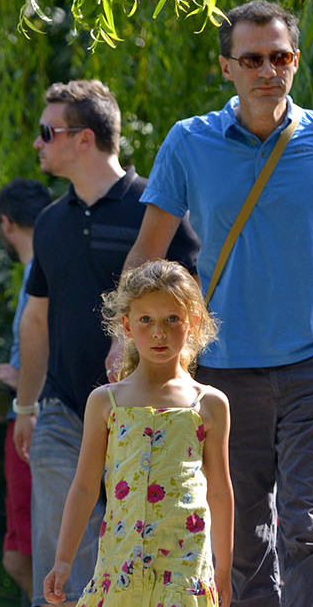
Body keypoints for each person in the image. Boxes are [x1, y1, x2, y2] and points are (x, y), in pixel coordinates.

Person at [122, 0, 313, 606]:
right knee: (240, 540)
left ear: (295, 61)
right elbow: (147, 256)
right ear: (227, 68)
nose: (268, 70)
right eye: (252, 59)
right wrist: (125, 339)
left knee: (309, 531)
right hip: (220, 371)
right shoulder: (190, 142)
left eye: (280, 57)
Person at [16, 79, 201, 606]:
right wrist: (27, 405)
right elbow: (35, 320)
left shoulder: (156, 210)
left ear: (85, 138)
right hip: (63, 410)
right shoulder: (50, 223)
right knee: (59, 562)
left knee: (136, 557)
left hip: (148, 413)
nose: (38, 143)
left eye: (47, 132)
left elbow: (194, 310)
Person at [42, 260, 233, 606]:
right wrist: (63, 559)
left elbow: (220, 491)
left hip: (184, 567)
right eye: (146, 320)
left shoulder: (210, 404)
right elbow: (85, 486)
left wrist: (224, 569)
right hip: (120, 566)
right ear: (127, 326)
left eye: (172, 319)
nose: (158, 332)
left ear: (193, 324)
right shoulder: (105, 401)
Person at [0, 177, 55, 596]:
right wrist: (9, 402)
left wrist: (16, 382)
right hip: (26, 418)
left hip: (38, 428)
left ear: (5, 223)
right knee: (23, 554)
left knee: (29, 555)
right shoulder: (42, 270)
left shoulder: (38, 276)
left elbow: (47, 347)